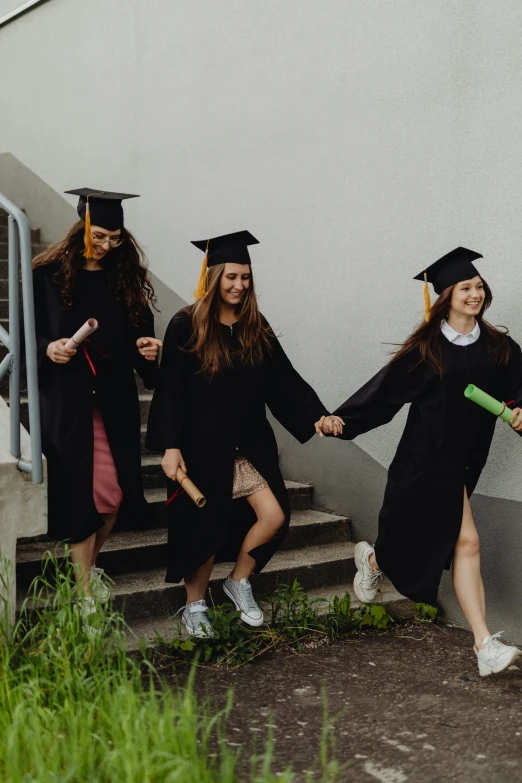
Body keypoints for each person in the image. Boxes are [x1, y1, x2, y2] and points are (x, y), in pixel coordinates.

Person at [319, 247, 522, 677]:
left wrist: (519, 409)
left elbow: (517, 392)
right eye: (465, 287)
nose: (475, 294)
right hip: (422, 460)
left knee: (464, 542)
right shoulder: (427, 349)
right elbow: (383, 395)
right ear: (445, 295)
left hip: (463, 464)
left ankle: (482, 643)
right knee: (429, 544)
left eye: (479, 286)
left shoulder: (499, 347)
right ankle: (377, 564)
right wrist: (343, 419)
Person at [146, 230, 342, 638]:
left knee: (274, 517)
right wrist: (170, 445)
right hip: (201, 445)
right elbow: (171, 389)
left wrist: (316, 415)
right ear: (213, 275)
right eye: (231, 276)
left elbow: (284, 381)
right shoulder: (187, 324)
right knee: (205, 528)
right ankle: (194, 606)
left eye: (245, 277)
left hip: (247, 444)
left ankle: (238, 582)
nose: (239, 285)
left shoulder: (255, 325)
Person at [32, 187, 161, 625]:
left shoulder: (124, 278)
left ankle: (84, 570)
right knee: (81, 491)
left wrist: (148, 350)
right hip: (67, 401)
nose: (107, 245)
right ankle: (85, 590)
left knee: (113, 496)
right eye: (100, 235)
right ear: (82, 226)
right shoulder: (46, 274)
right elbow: (25, 337)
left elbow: (143, 338)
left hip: (112, 399)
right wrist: (48, 349)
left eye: (115, 238)